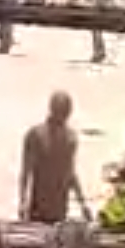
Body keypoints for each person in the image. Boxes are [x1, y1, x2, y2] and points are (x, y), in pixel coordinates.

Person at [17, 91, 88, 224]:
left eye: (65, 112)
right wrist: (22, 202)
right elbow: (26, 171)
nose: (63, 115)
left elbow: (70, 174)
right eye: (60, 111)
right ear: (52, 109)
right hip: (38, 206)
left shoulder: (70, 138)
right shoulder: (36, 135)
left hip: (60, 208)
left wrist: (83, 204)